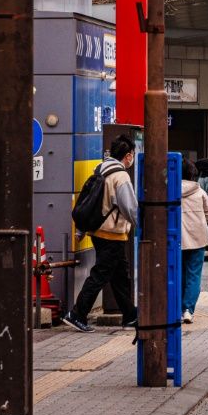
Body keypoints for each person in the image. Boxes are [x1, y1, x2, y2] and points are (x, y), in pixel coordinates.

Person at [62, 136, 139, 333]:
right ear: (128, 155)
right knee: (101, 274)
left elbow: (90, 202)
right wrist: (143, 225)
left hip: (99, 231)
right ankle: (77, 313)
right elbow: (130, 207)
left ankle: (130, 315)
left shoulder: (100, 169)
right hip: (111, 234)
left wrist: (81, 229)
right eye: (132, 156)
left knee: (121, 275)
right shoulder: (121, 176)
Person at [180, 159, 208, 325]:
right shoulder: (200, 192)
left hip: (177, 241)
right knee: (193, 275)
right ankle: (188, 310)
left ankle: (177, 309)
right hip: (198, 239)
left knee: (179, 274)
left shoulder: (170, 191)